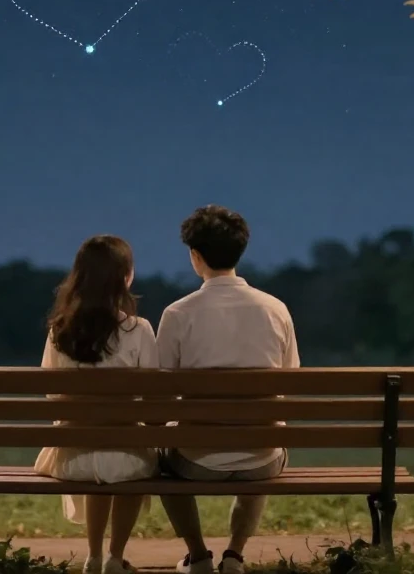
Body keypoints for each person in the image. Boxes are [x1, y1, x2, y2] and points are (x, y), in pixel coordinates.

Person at [155, 205, 300, 574]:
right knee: (268, 435)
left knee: (159, 456)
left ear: (195, 256)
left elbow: (159, 395)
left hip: (196, 461)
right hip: (261, 460)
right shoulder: (276, 309)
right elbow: (288, 382)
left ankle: (198, 556)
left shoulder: (177, 314)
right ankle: (234, 555)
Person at [33, 235, 158, 574]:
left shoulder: (59, 332)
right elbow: (155, 399)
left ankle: (93, 555)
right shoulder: (139, 330)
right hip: (128, 456)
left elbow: (52, 395)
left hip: (72, 458)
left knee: (99, 452)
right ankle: (115, 557)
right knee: (127, 461)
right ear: (125, 277)